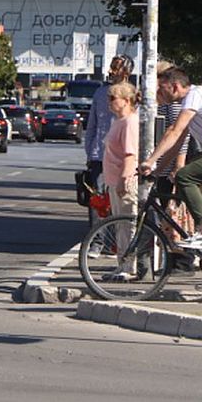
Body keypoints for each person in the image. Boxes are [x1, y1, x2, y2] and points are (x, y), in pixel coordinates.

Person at [140, 67, 202, 249]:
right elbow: (176, 144)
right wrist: (157, 171)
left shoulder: (193, 95)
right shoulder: (190, 104)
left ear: (174, 87)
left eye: (162, 88)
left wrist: (150, 161)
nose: (159, 92)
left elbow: (174, 132)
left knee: (184, 176)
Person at [84, 54, 134, 222]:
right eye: (112, 66)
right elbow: (92, 125)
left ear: (126, 71)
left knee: (120, 199)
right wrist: (90, 151)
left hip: (123, 156)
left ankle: (116, 239)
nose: (112, 70)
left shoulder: (133, 94)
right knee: (98, 198)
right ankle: (97, 240)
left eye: (117, 67)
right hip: (99, 155)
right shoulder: (100, 93)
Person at [102, 80, 140, 279]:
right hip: (113, 178)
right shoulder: (118, 121)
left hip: (123, 180)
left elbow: (130, 154)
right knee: (120, 224)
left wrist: (123, 180)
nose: (109, 102)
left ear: (126, 100)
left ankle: (129, 266)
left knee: (127, 223)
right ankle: (122, 263)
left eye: (112, 98)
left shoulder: (129, 122)